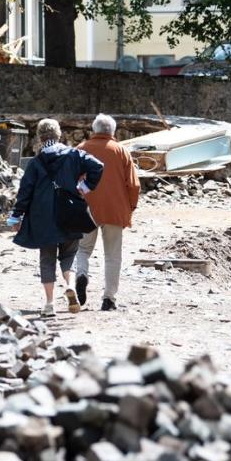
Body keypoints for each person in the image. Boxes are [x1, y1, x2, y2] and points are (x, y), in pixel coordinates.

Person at [10, 118, 104, 317]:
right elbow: (98, 166)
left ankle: (50, 304)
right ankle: (70, 286)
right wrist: (84, 188)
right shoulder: (75, 155)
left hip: (42, 218)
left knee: (47, 259)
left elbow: (25, 192)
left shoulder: (36, 163)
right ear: (59, 135)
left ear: (40, 137)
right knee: (69, 256)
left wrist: (16, 217)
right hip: (70, 212)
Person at [73, 113, 140, 312]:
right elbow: (133, 185)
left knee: (83, 249)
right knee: (112, 255)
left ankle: (81, 274)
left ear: (94, 130)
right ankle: (109, 299)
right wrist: (131, 207)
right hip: (114, 209)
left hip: (86, 208)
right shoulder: (121, 151)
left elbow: (70, 180)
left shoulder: (81, 149)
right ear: (113, 131)